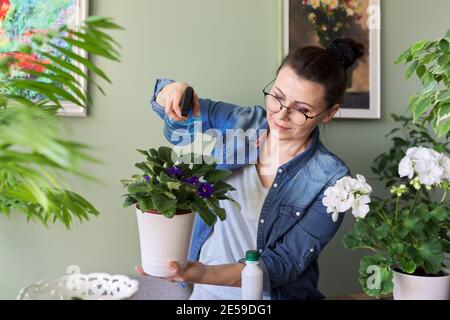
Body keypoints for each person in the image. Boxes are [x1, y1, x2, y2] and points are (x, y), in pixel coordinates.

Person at [137, 38, 364, 300]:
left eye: (301, 110)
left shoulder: (333, 181)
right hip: (204, 295)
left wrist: (198, 273)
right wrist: (173, 91)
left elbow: (283, 264)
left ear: (329, 113)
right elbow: (168, 104)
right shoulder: (243, 123)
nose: (281, 115)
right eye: (277, 97)